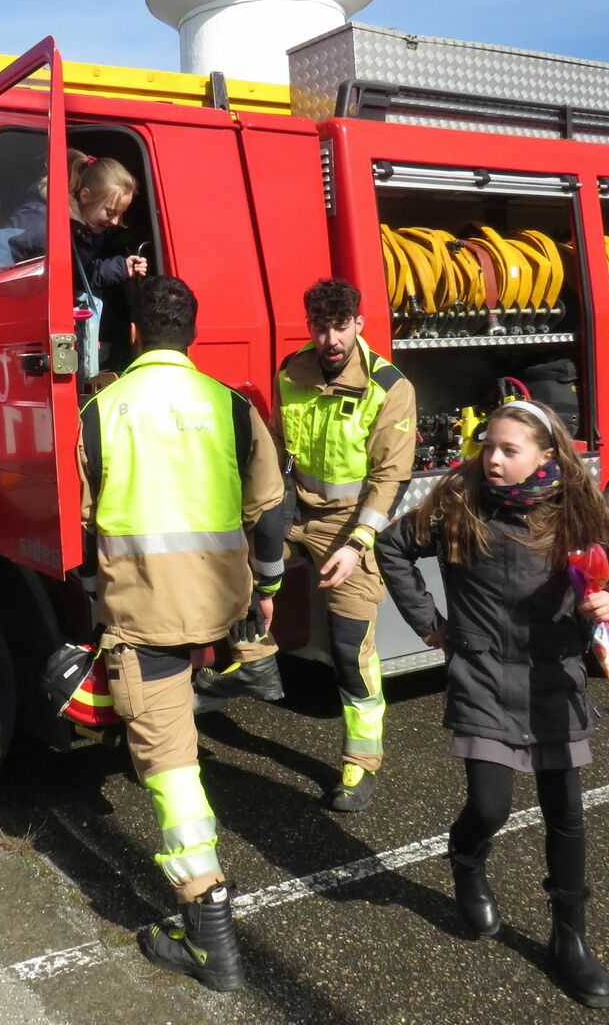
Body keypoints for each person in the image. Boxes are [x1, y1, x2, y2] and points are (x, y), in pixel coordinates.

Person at [375, 401, 609, 1010]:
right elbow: (392, 549)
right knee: (490, 805)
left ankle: (570, 939)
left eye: (509, 449)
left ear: (546, 456)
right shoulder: (460, 499)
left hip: (553, 680)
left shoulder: (577, 511)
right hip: (480, 673)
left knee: (566, 813)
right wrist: (431, 624)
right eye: (489, 447)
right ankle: (467, 860)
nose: (494, 459)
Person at [77, 275, 284, 991]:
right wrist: (270, 591)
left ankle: (210, 936)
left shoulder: (99, 412)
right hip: (227, 614)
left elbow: (78, 528)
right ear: (191, 335)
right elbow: (271, 512)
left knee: (172, 769)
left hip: (147, 623)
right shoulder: (230, 407)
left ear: (131, 334)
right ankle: (255, 667)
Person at [196, 277, 416, 814]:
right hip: (299, 509)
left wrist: (359, 542)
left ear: (358, 324)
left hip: (351, 523)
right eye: (320, 326)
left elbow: (390, 477)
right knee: (232, 563)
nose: (330, 338)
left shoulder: (390, 387)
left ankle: (361, 764)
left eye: (341, 326)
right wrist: (263, 513)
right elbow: (275, 448)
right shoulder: (293, 372)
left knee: (349, 647)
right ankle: (255, 663)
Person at [7, 150, 148, 379]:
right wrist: (22, 295)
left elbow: (80, 274)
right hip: (29, 322)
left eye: (119, 215)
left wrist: (122, 267)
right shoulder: (42, 221)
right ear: (85, 195)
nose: (114, 222)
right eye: (111, 212)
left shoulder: (88, 230)